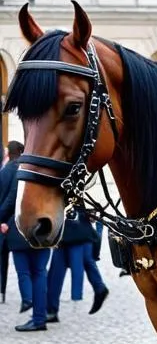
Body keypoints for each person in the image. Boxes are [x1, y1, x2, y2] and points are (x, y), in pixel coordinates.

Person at [0, 152, 51, 331]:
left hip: (23, 228)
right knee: (40, 272)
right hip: (46, 228)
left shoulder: (22, 173)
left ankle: (29, 302)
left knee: (24, 271)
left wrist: (2, 219)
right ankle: (39, 318)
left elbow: (12, 200)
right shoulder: (49, 172)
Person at [45, 205, 109, 321]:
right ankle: (51, 310)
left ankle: (51, 310)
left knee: (58, 271)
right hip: (69, 231)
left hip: (77, 231)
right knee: (57, 272)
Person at [0, 140, 23, 303]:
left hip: (3, 219)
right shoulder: (18, 170)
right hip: (10, 220)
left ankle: (2, 290)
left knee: (2, 258)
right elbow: (12, 199)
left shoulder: (5, 170)